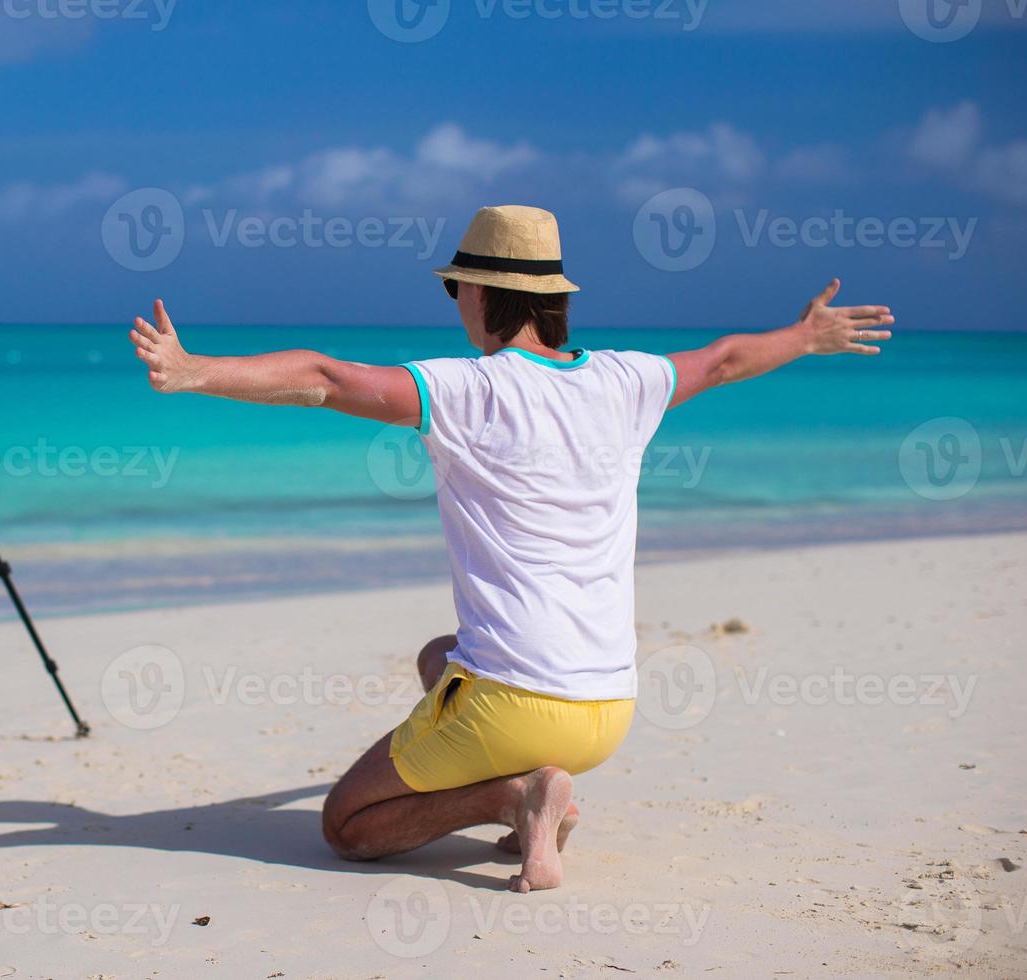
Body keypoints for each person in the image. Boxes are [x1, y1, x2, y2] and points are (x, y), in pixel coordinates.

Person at [127, 205, 894, 891]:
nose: (455, 301)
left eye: (455, 286)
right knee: (440, 655)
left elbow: (327, 379)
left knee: (345, 828)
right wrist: (807, 335)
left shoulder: (465, 389)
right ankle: (538, 787)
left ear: (485, 295)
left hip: (515, 706)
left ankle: (515, 797)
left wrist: (195, 371)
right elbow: (724, 358)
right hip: (610, 709)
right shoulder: (628, 381)